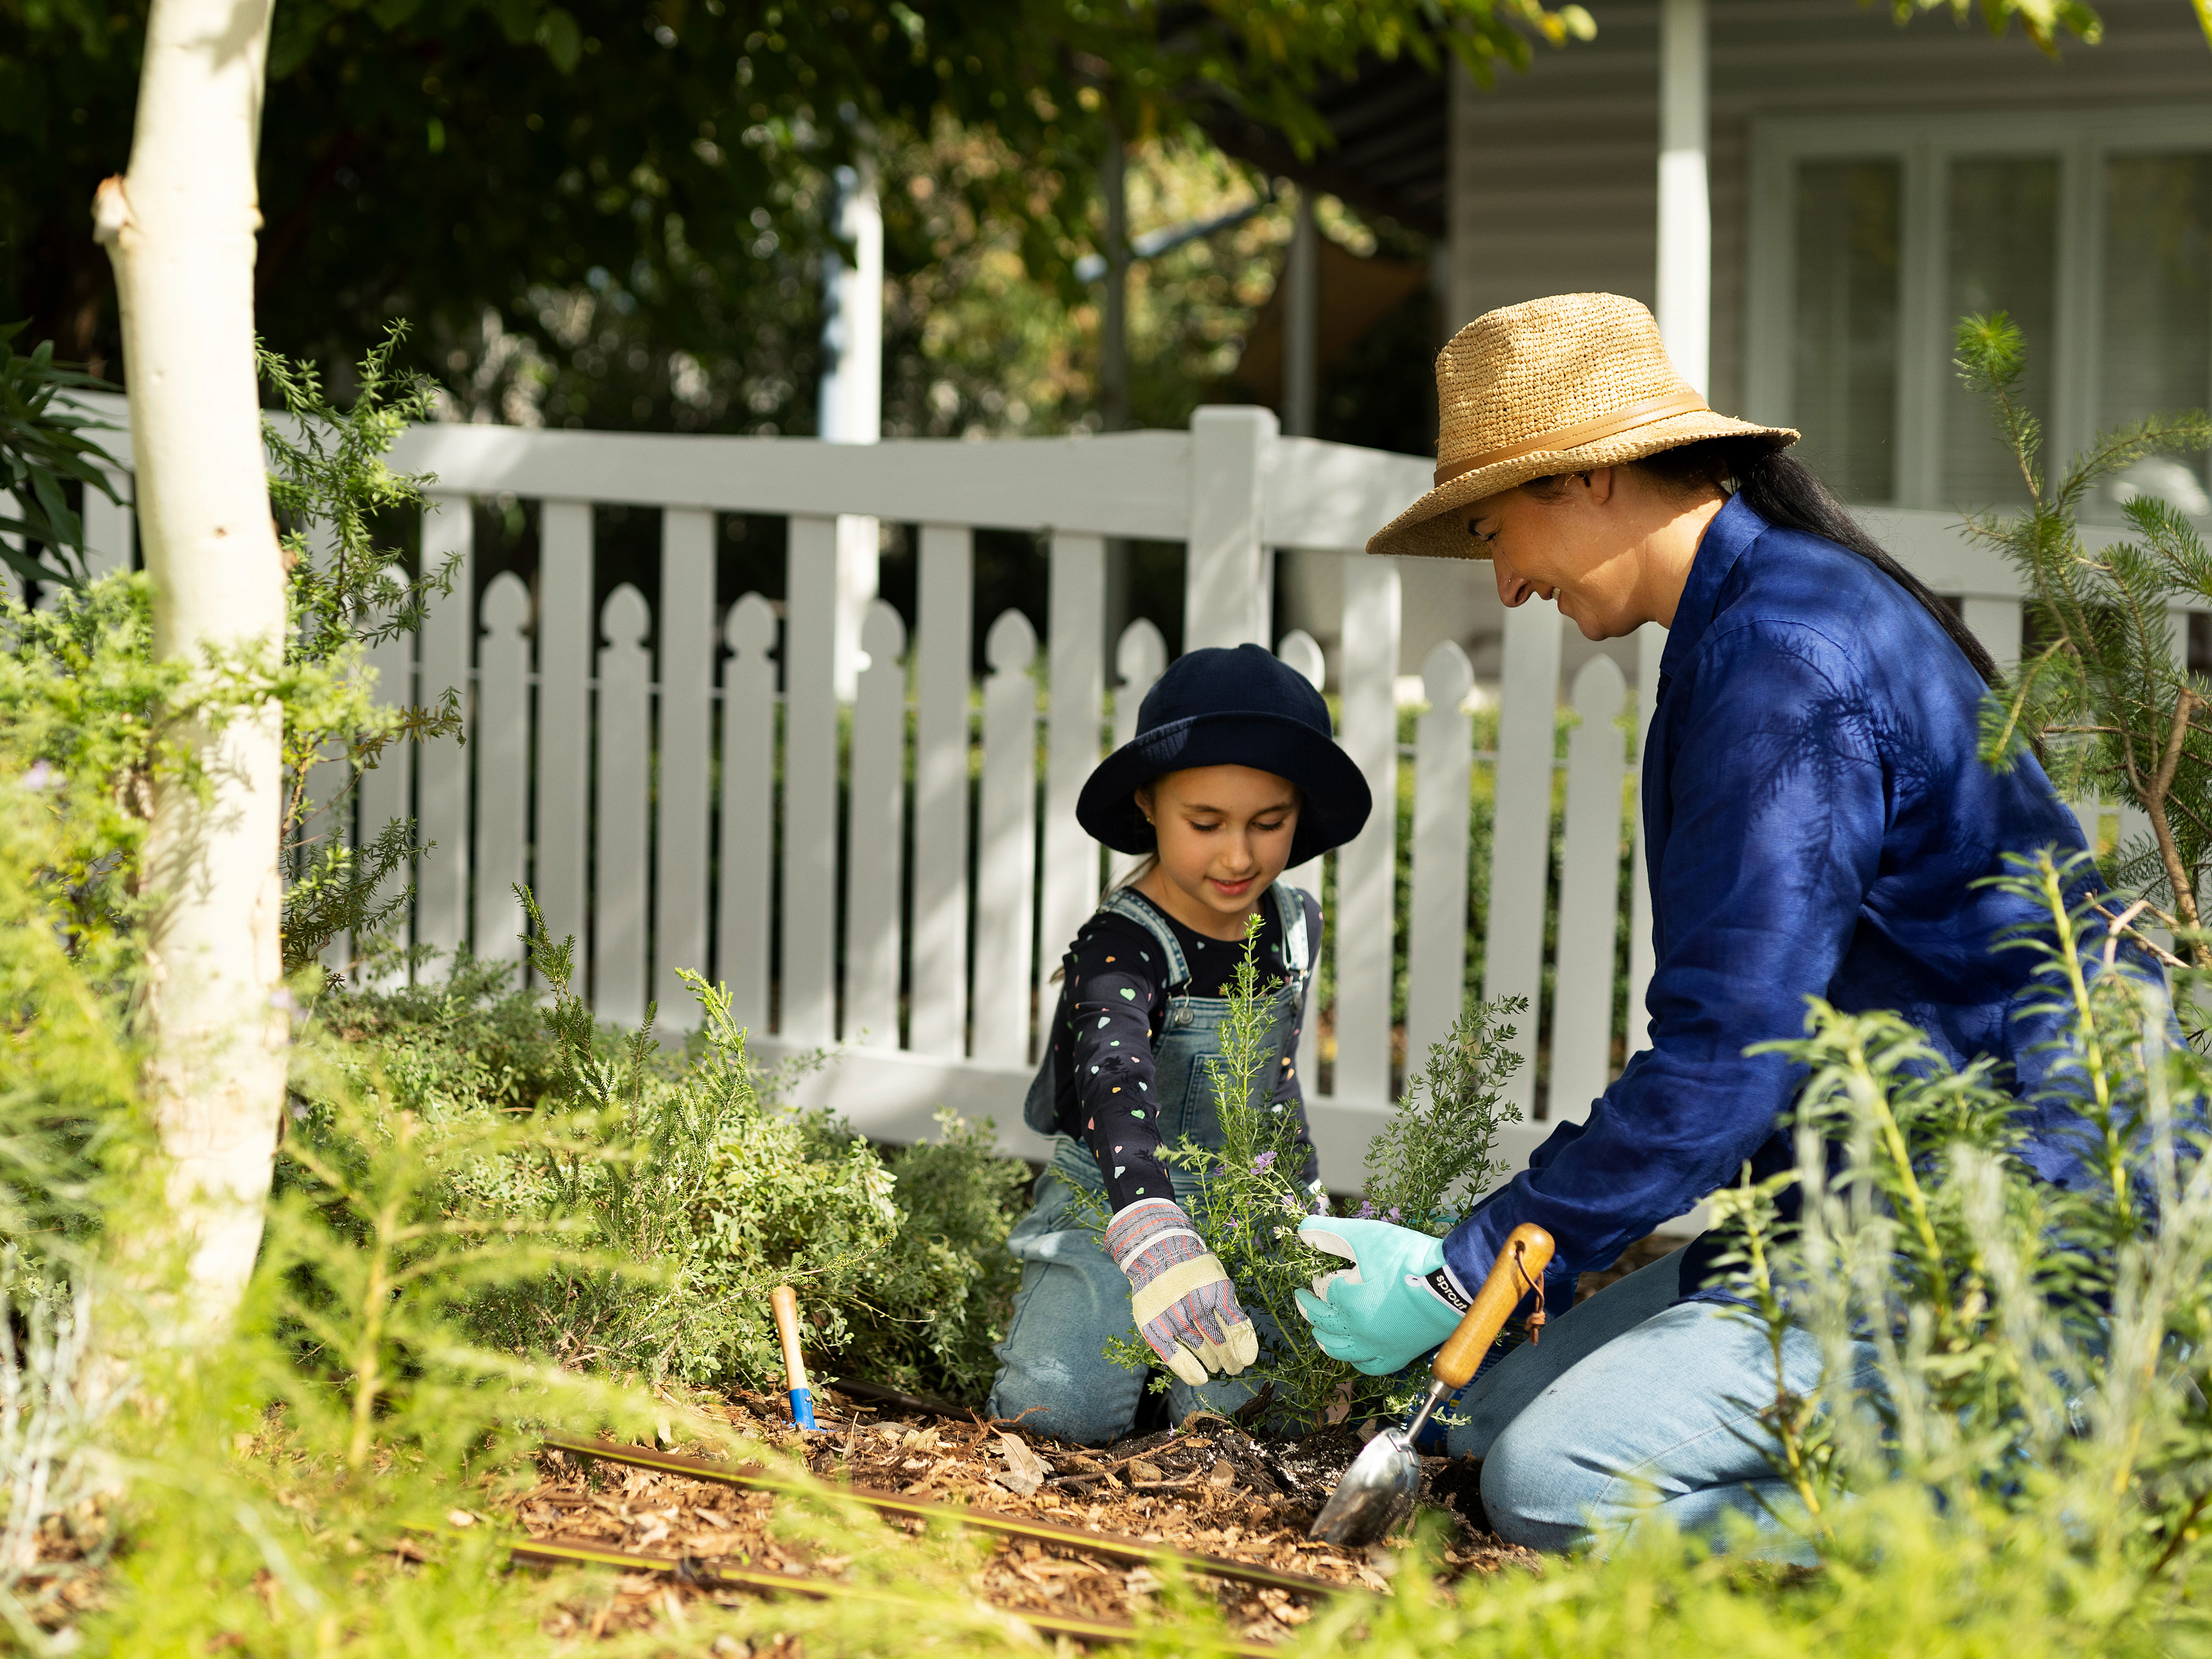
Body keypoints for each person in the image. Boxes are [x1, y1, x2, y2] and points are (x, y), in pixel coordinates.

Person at [1293, 291, 2129, 1555]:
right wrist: (1497, 1268)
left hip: (1989, 1227)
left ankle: (2039, 1509)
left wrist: (1471, 1271)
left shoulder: (1783, 657)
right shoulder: (1760, 613)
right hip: (1848, 1207)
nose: (1508, 583)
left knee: (1553, 1485)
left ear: (1586, 480)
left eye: (1497, 529)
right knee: (1473, 1424)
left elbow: (1729, 1054)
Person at [985, 644, 1372, 1446]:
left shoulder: (1293, 924)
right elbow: (1112, 1078)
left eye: (1269, 823)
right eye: (1206, 824)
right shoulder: (1123, 943)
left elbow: (1276, 1078)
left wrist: (1297, 1202)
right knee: (1057, 1418)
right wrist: (1151, 1226)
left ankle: (1171, 1383)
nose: (1239, 856)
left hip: (1236, 1202)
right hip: (1114, 1203)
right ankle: (1097, 1338)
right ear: (1150, 806)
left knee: (1260, 1425)